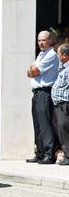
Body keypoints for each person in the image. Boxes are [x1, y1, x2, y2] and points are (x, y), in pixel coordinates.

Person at [26, 30, 60, 164]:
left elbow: (33, 71)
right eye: (39, 40)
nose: (41, 42)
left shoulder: (51, 54)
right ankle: (39, 153)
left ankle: (48, 153)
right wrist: (31, 70)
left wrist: (32, 70)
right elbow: (29, 72)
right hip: (37, 92)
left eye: (44, 40)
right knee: (37, 124)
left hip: (45, 92)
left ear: (50, 41)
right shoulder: (41, 54)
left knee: (45, 124)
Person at [51, 43, 69, 165]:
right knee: (60, 129)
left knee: (64, 129)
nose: (56, 55)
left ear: (64, 55)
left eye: (58, 53)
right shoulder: (63, 66)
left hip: (64, 104)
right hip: (58, 104)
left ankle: (68, 156)